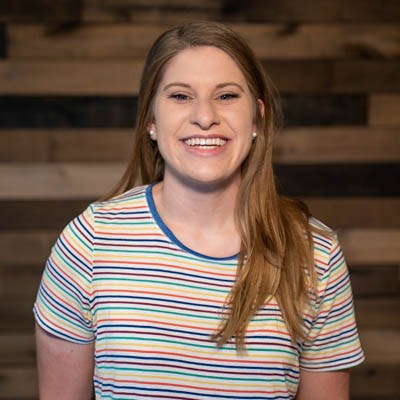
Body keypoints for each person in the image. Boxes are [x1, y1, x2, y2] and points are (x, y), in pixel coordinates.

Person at [34, 20, 364, 400]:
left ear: (257, 117)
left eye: (226, 95)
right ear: (151, 121)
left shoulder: (316, 253)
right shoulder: (90, 243)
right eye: (180, 96)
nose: (205, 116)